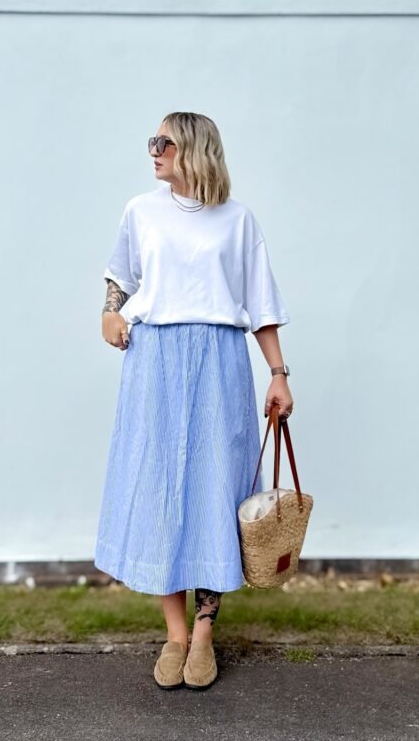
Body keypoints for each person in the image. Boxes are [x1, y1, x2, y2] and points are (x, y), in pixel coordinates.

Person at [95, 111, 293, 691]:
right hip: (154, 359)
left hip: (219, 361)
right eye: (151, 141)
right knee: (159, 488)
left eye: (165, 143)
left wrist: (278, 373)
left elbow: (261, 304)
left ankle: (205, 632)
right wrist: (110, 311)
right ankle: (175, 634)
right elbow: (120, 275)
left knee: (214, 490)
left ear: (197, 151)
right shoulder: (141, 210)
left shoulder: (237, 221)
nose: (153, 151)